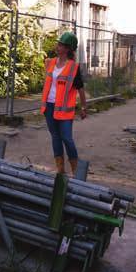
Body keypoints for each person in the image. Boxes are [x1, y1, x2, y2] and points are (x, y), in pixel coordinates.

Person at [40, 32, 87, 176]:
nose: (57, 46)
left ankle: (76, 170)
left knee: (67, 138)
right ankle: (60, 170)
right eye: (58, 44)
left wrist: (84, 107)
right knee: (55, 137)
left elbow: (80, 89)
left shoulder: (73, 67)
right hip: (49, 106)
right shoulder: (51, 63)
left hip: (65, 110)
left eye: (60, 45)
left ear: (67, 49)